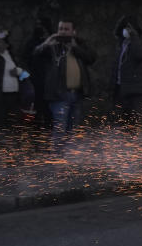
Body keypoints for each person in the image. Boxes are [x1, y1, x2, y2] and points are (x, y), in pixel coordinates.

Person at [33, 19, 96, 150]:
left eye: (66, 29)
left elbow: (91, 58)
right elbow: (35, 54)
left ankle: (70, 159)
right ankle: (57, 159)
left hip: (77, 94)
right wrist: (46, 43)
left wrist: (75, 47)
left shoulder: (79, 44)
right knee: (60, 128)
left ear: (73, 31)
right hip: (59, 94)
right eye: (60, 28)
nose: (62, 31)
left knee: (73, 129)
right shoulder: (52, 46)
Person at [112, 15, 142, 121]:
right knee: (121, 122)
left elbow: (141, 55)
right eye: (125, 27)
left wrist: (134, 37)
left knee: (137, 122)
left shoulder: (141, 43)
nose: (127, 30)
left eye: (129, 28)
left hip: (137, 91)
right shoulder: (121, 44)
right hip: (121, 89)